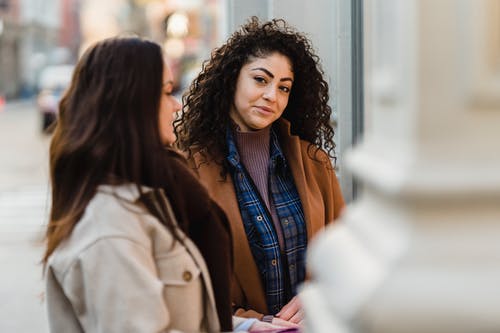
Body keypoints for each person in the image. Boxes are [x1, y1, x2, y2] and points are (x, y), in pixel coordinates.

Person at [41, 36, 278, 333]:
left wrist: (245, 327)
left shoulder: (153, 193)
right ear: (132, 102)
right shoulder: (110, 230)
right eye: (166, 92)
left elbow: (173, 313)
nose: (176, 105)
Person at [175, 17, 346, 326]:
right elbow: (183, 280)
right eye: (260, 80)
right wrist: (250, 323)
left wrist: (318, 296)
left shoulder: (315, 163)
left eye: (284, 87)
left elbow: (345, 256)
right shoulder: (188, 170)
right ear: (231, 80)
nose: (272, 96)